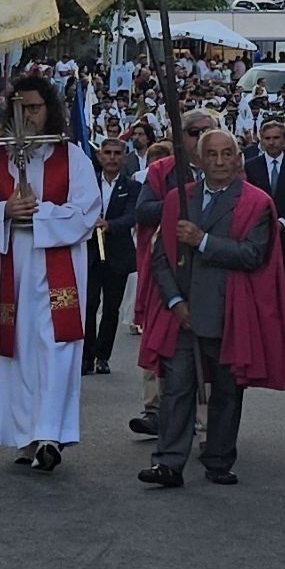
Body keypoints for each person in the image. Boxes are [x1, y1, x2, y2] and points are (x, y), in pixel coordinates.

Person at [138, 129, 285, 489]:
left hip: (228, 312)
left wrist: (202, 241)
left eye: (227, 154)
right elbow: (161, 260)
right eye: (211, 155)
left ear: (238, 158)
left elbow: (252, 254)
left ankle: (218, 458)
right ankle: (168, 462)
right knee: (177, 389)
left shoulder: (256, 203)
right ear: (198, 160)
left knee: (227, 391)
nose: (219, 162)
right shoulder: (177, 200)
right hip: (183, 312)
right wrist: (174, 302)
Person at [0, 79, 97, 472]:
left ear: (50, 109)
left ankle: (49, 433)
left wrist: (38, 214)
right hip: (15, 265)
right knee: (17, 348)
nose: (28, 116)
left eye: (35, 108)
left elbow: (87, 211)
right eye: (20, 108)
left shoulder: (72, 156)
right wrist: (5, 212)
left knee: (56, 346)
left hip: (59, 264)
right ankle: (23, 435)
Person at [125, 109, 219, 439]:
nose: (201, 138)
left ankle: (207, 422)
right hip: (169, 272)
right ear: (181, 138)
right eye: (194, 132)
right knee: (162, 338)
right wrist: (179, 203)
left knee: (210, 347)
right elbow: (143, 209)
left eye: (208, 131)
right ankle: (157, 410)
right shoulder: (162, 171)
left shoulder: (226, 169)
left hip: (211, 271)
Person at [85, 135, 140, 377]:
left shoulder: (132, 187)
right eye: (107, 153)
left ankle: (102, 356)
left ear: (124, 158)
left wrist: (110, 225)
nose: (112, 158)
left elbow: (132, 215)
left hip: (117, 254)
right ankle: (85, 357)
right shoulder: (87, 184)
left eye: (117, 154)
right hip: (89, 254)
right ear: (99, 156)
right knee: (88, 307)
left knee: (111, 309)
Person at [243, 119, 285, 279]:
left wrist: (282, 222)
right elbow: (247, 198)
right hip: (258, 231)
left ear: (284, 139)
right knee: (258, 275)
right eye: (267, 138)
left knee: (281, 275)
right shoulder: (251, 166)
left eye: (276, 138)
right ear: (261, 139)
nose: (272, 142)